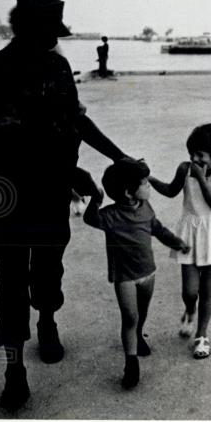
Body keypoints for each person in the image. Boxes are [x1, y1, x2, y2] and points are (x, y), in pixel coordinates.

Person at [0, 0, 132, 411]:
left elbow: (76, 119)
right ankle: (14, 370)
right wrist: (69, 170)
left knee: (47, 266)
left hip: (50, 192)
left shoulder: (59, 66)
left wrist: (118, 156)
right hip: (8, 192)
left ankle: (46, 321)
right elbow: (14, 138)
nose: (55, 38)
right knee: (10, 277)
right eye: (49, 30)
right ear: (26, 28)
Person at [83, 159, 190, 388]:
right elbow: (89, 218)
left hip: (148, 272)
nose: (149, 186)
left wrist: (177, 242)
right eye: (144, 183)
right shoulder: (110, 216)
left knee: (141, 313)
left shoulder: (146, 208)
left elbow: (158, 229)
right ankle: (131, 363)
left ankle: (139, 335)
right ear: (128, 191)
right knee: (129, 317)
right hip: (125, 277)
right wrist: (96, 200)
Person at [149, 124, 211, 359]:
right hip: (190, 233)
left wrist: (200, 178)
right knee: (190, 291)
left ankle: (202, 335)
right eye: (192, 154)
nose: (194, 159)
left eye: (200, 155)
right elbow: (170, 190)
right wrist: (148, 177)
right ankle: (190, 309)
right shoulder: (185, 168)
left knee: (207, 289)